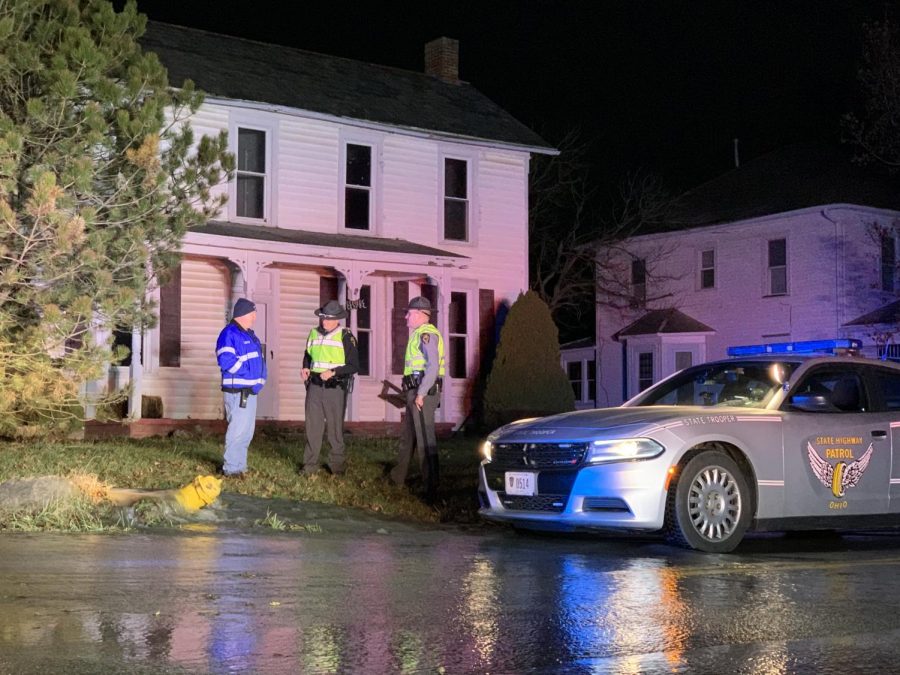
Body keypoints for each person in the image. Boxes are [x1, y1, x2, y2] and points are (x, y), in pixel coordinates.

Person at [390, 296, 445, 503]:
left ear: (422, 315)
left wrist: (421, 394)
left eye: (410, 313)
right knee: (408, 437)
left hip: (424, 392)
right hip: (415, 391)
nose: (406, 317)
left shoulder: (427, 335)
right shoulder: (418, 334)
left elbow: (432, 368)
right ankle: (397, 479)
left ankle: (431, 488)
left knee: (424, 440)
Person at [301, 299, 359, 475]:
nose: (324, 321)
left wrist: (333, 372)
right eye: (323, 318)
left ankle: (337, 467)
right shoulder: (313, 333)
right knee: (313, 427)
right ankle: (309, 466)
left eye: (328, 319)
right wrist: (305, 366)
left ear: (337, 319)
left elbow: (354, 365)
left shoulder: (346, 336)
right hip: (315, 387)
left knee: (335, 429)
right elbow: (308, 355)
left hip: (335, 388)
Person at [215, 297, 267, 477]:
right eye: (253, 312)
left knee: (246, 432)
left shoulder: (250, 335)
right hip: (238, 392)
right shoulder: (229, 334)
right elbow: (226, 360)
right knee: (237, 431)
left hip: (250, 392)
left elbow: (260, 362)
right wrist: (250, 376)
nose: (255, 316)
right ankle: (231, 469)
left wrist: (260, 380)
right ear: (245, 313)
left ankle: (239, 466)